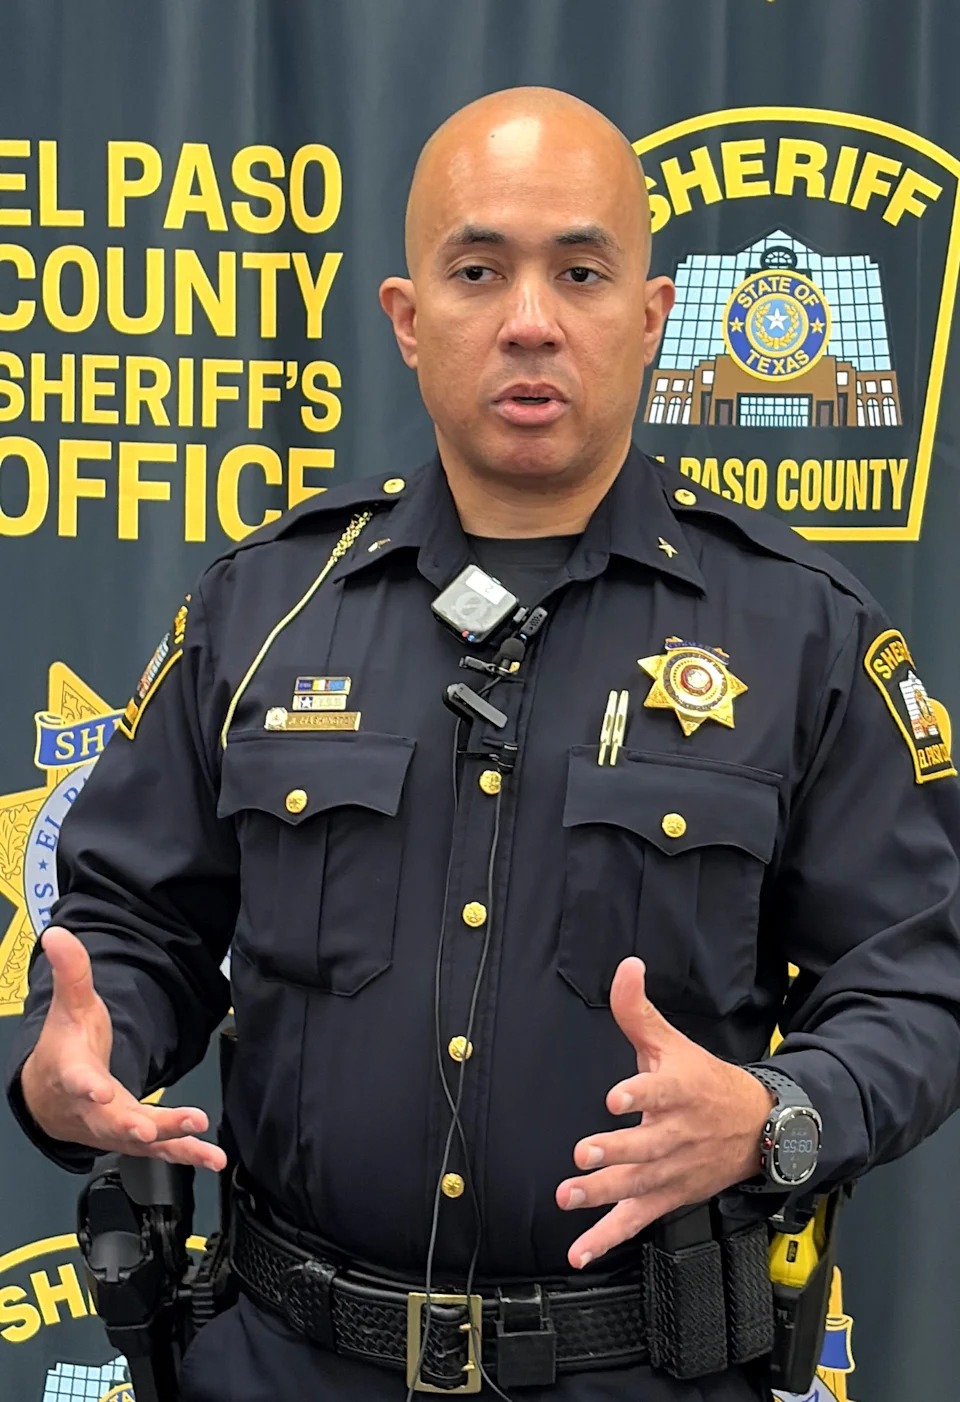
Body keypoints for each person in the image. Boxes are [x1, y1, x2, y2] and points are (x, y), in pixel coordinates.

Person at [7, 85, 960, 1402]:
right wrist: (81, 1054)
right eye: (478, 271)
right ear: (408, 319)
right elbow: (132, 925)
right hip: (286, 1360)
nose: (530, 319)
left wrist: (778, 1116)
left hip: (640, 1369)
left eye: (580, 272)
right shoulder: (266, 606)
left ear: (650, 317)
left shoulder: (801, 632)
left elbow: (916, 985)